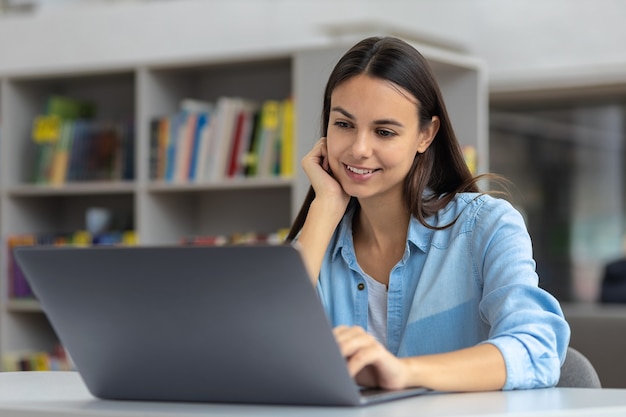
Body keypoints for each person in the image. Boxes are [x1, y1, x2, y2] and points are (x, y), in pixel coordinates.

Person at [286, 36, 570, 392]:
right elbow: (262, 355)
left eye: (384, 131)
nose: (358, 149)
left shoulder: (487, 226)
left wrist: (403, 372)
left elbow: (536, 350)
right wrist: (324, 207)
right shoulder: (318, 240)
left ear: (425, 135)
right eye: (344, 124)